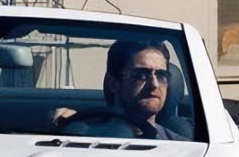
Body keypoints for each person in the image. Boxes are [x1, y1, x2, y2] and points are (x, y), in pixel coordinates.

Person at [53, 39, 187, 140]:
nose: (154, 84)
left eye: (161, 75)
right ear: (113, 83)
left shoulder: (183, 148)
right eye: (141, 75)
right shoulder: (80, 134)